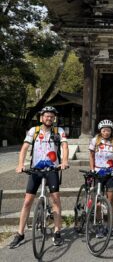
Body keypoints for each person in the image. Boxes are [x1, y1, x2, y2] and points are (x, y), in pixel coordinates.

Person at [9, 106, 69, 249]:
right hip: (36, 169)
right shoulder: (33, 131)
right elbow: (24, 148)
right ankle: (20, 233)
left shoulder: (58, 131)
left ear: (54, 118)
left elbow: (65, 147)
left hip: (52, 169)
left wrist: (65, 161)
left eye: (51, 116)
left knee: (55, 199)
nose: (49, 118)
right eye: (46, 116)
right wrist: (20, 165)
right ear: (41, 117)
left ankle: (57, 231)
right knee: (27, 201)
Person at [89, 119, 113, 236]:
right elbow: (91, 156)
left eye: (108, 130)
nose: (106, 132)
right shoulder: (95, 141)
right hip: (98, 173)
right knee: (98, 201)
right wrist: (92, 169)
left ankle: (109, 224)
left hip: (111, 174)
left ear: (111, 131)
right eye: (104, 130)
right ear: (100, 131)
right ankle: (99, 224)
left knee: (110, 200)